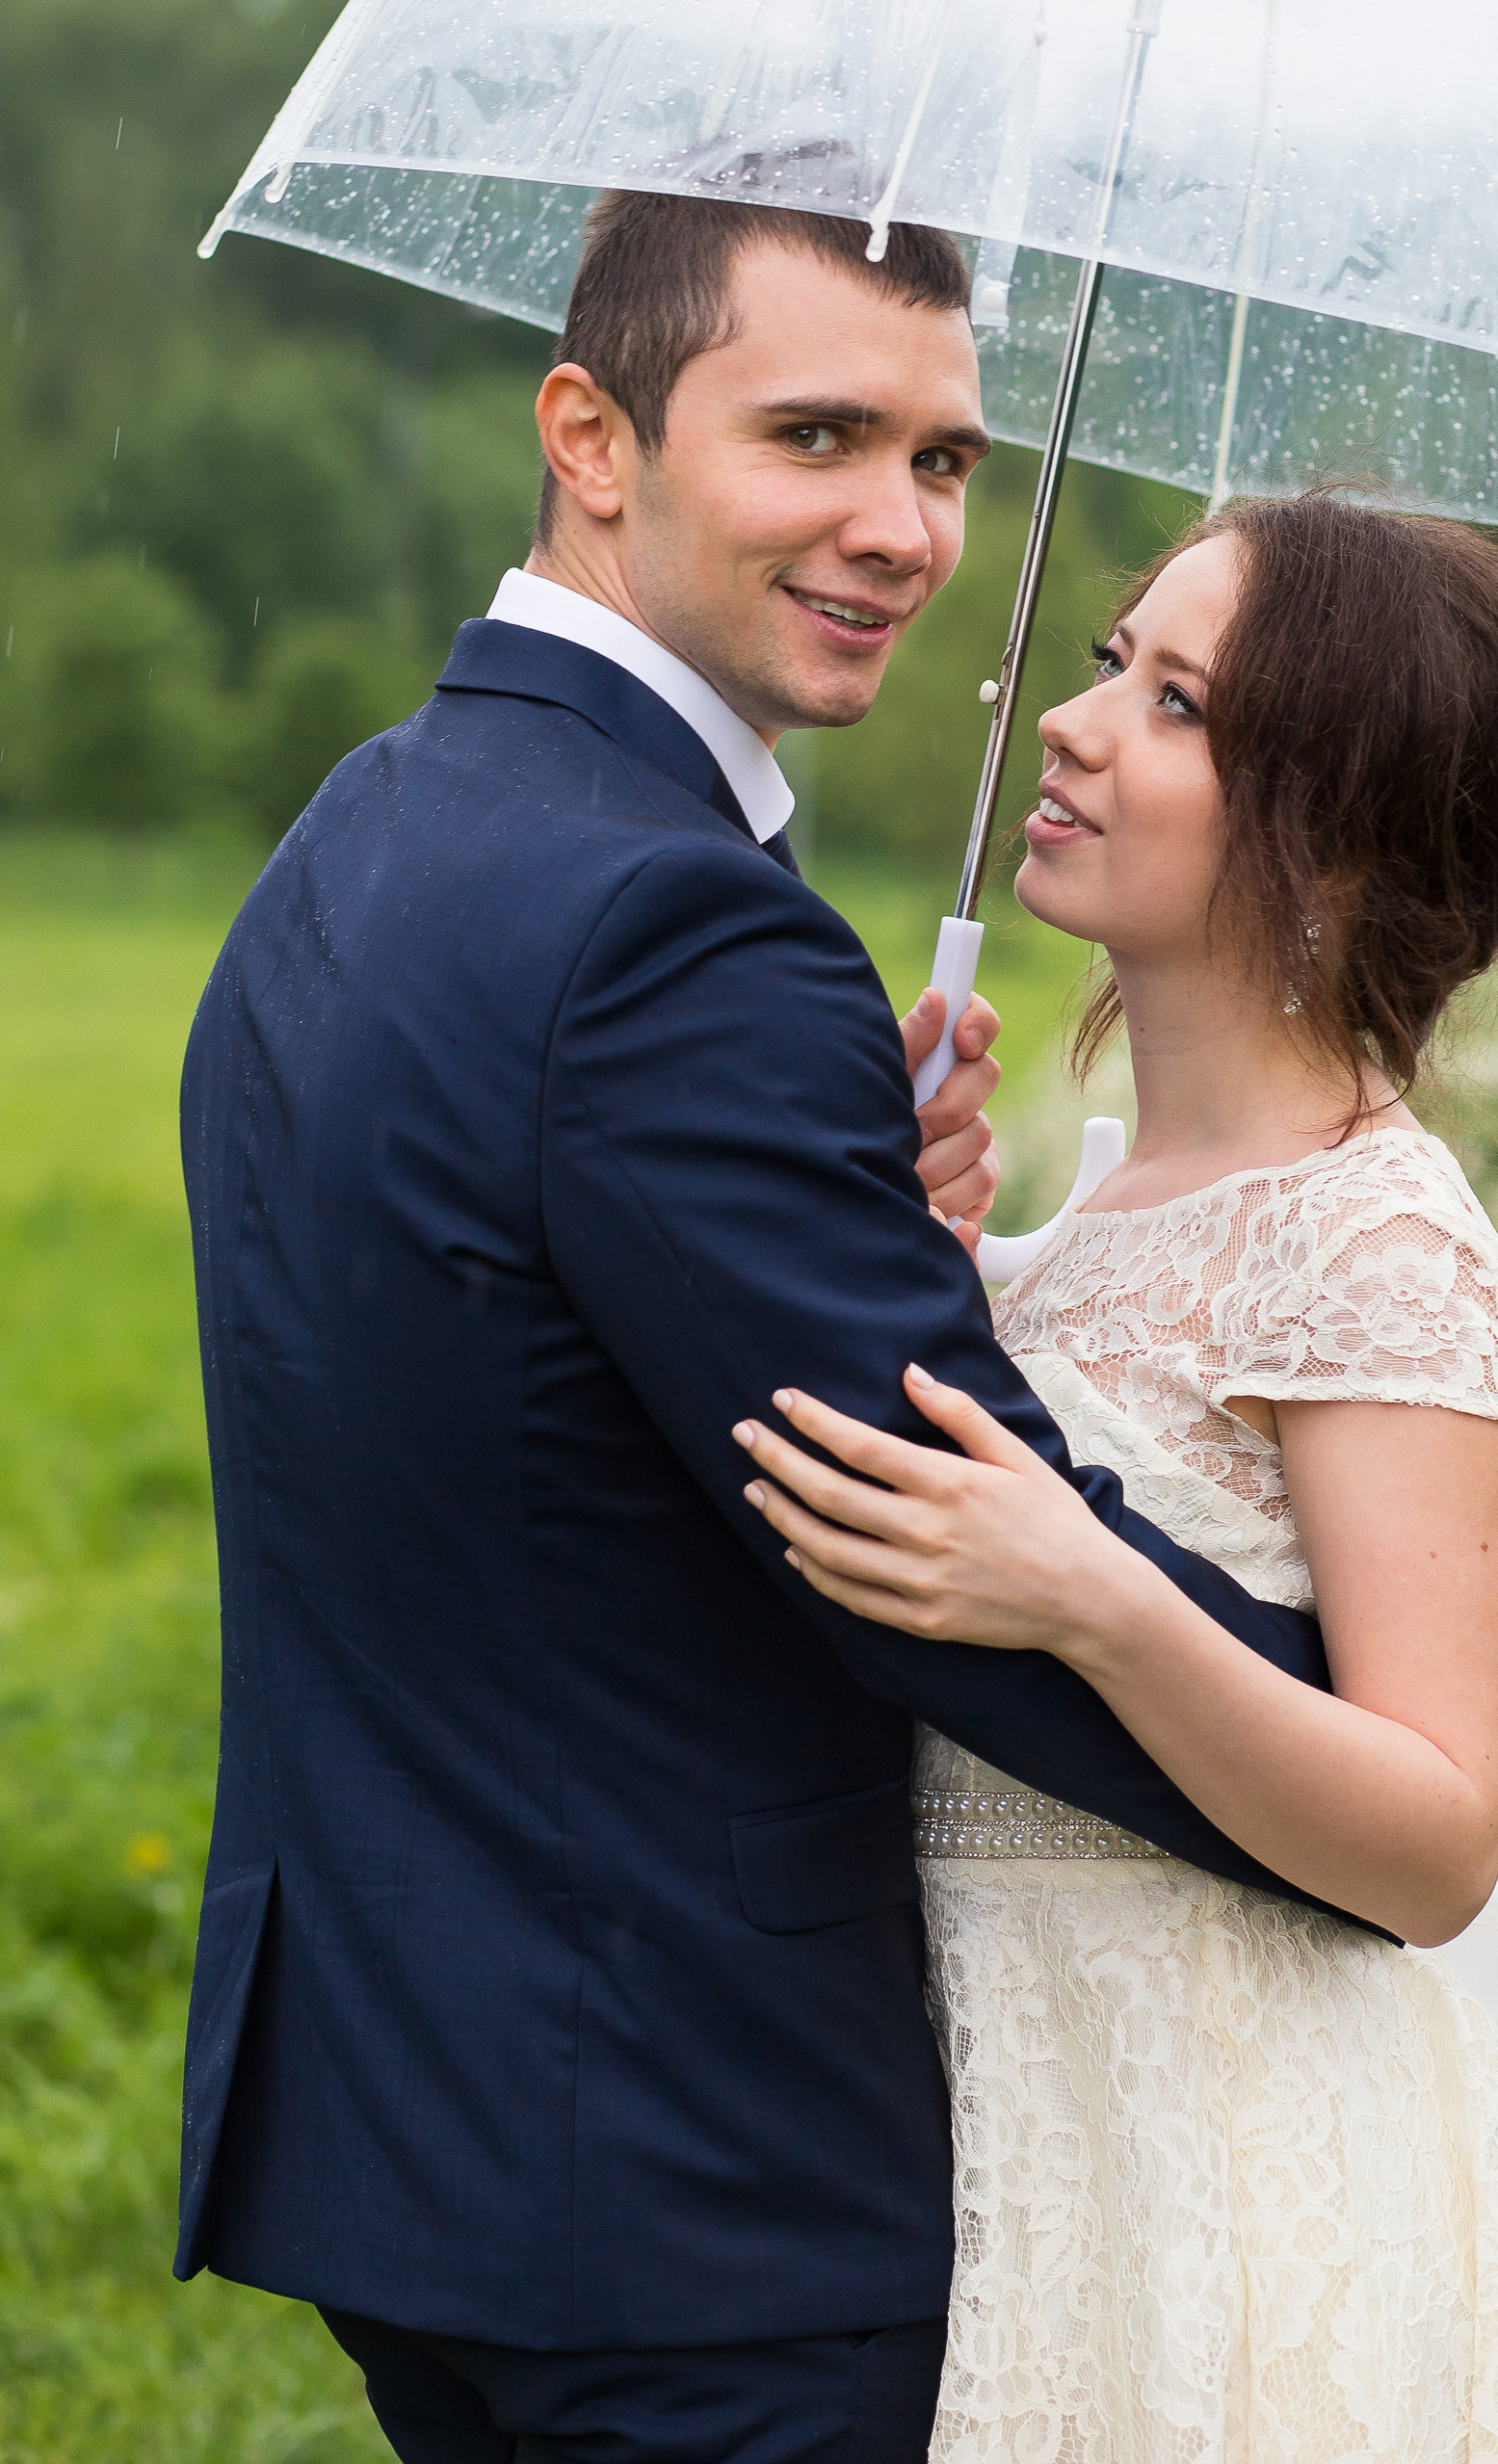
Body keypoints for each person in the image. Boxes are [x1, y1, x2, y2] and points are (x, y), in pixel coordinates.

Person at [176, 194, 1349, 2464]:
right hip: (685, 2165)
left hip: (406, 2112)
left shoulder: (373, 820)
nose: (901, 527)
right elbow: (924, 1546)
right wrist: (1334, 1778)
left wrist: (834, 1185)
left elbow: (495, 1363)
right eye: (818, 433)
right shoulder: (670, 927)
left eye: (942, 460)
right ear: (590, 433)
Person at [736, 489, 1498, 2463]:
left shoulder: (1380, 1240)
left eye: (1180, 701)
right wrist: (929, 1258)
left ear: (1346, 830)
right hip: (1019, 2140)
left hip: (1243, 2174)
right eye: (1112, 655)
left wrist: (1095, 1596)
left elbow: (1442, 1837)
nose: (1073, 720)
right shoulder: (1098, 1200)